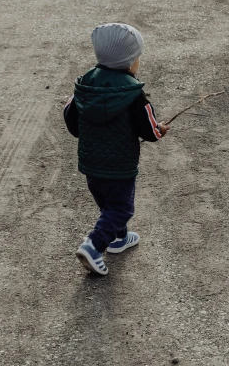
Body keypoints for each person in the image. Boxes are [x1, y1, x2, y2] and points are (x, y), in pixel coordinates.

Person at [64, 23, 169, 276]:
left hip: (91, 164)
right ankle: (93, 246)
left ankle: (119, 239)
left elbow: (70, 117)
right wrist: (160, 130)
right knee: (121, 208)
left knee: (108, 205)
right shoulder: (133, 92)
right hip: (120, 167)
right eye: (137, 57)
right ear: (129, 62)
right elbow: (149, 129)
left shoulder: (85, 84)